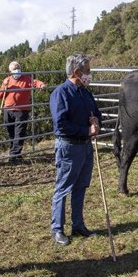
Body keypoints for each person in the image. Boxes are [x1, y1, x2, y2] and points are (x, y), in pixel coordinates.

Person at [49, 54, 102, 246]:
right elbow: (60, 125)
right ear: (76, 72)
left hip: (85, 147)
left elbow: (96, 112)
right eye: (87, 71)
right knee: (63, 188)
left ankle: (78, 224)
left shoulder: (85, 92)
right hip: (69, 147)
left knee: (81, 186)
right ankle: (57, 229)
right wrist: (85, 130)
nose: (89, 75)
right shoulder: (61, 93)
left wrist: (96, 121)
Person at [0, 61, 46, 163]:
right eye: (14, 69)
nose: (17, 70)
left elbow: (35, 82)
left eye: (18, 68)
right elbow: (0, 96)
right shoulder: (7, 80)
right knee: (11, 133)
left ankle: (14, 157)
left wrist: (41, 85)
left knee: (19, 134)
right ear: (10, 71)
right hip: (8, 109)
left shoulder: (26, 79)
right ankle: (15, 153)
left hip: (22, 110)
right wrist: (4, 87)